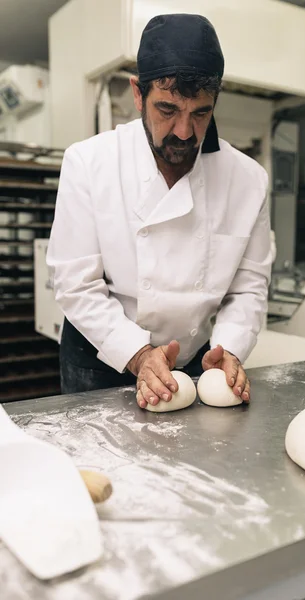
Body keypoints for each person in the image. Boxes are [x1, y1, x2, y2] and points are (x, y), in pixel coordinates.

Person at [47, 13, 273, 408]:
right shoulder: (89, 162)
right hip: (103, 356)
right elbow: (75, 283)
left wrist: (230, 347)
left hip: (195, 362)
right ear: (138, 94)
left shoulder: (248, 179)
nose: (184, 132)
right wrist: (137, 353)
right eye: (167, 109)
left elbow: (248, 287)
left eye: (200, 113)